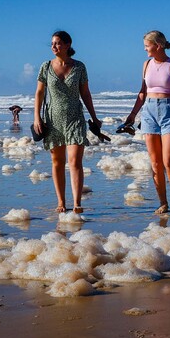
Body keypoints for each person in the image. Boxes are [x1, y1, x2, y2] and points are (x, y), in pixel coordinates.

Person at [122, 30, 170, 214]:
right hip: (149, 111)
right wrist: (132, 115)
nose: (145, 49)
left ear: (158, 45)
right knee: (155, 162)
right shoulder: (146, 64)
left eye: (147, 46)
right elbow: (142, 91)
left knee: (168, 160)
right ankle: (163, 202)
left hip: (169, 111)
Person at [33, 30, 101, 214]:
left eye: (58, 43)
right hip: (52, 119)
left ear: (68, 44)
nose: (54, 47)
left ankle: (77, 203)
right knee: (57, 161)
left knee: (74, 161)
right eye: (53, 44)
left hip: (75, 119)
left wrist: (94, 118)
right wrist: (36, 117)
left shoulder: (79, 67)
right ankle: (61, 202)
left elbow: (85, 94)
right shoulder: (46, 67)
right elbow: (39, 93)